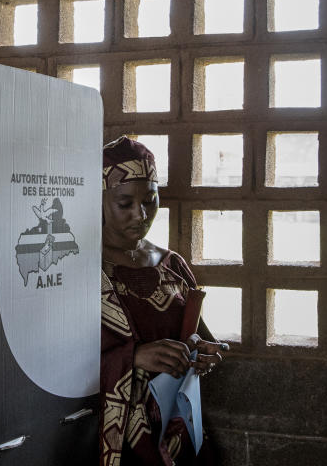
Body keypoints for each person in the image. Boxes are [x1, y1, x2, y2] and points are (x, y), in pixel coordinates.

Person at [100, 136, 228, 466]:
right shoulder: (81, 269)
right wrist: (135, 358)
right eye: (125, 204)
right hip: (115, 438)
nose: (141, 215)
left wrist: (205, 355)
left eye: (151, 201)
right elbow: (57, 363)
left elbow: (198, 336)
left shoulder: (171, 265)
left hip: (178, 427)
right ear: (98, 200)